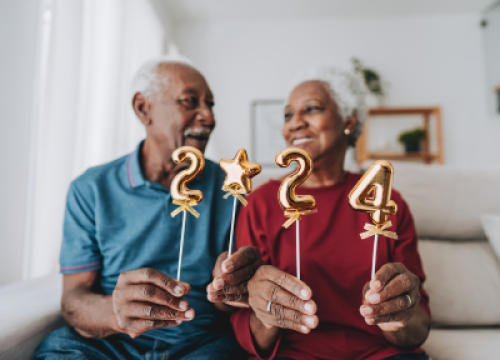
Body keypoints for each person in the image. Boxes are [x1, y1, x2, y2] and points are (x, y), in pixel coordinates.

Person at [35, 57, 258, 360]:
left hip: (199, 343)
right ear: (143, 108)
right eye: (190, 101)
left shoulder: (230, 187)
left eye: (210, 105)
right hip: (109, 343)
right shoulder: (89, 189)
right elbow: (74, 297)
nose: (207, 116)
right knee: (58, 349)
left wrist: (230, 284)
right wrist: (115, 312)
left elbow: (226, 304)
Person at [210, 66, 431, 360]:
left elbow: (419, 326)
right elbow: (248, 332)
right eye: (288, 115)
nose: (295, 124)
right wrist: (264, 311)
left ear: (348, 120)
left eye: (311, 109)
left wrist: (398, 313)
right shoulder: (261, 203)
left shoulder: (387, 202)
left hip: (381, 354)